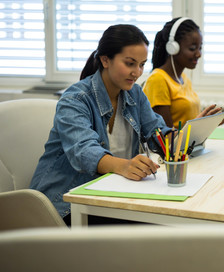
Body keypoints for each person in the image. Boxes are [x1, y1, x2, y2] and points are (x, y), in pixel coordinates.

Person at [30, 24, 170, 224]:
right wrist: (125, 166)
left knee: (164, 220)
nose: (137, 72)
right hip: (64, 205)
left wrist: (177, 138)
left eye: (141, 64)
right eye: (130, 63)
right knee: (156, 226)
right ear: (105, 60)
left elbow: (156, 131)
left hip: (107, 195)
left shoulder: (135, 94)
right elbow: (83, 151)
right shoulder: (75, 99)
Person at [143, 17, 224, 128]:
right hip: (177, 150)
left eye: (200, 48)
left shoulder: (183, 78)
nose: (198, 54)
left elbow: (195, 121)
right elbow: (168, 136)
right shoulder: (158, 80)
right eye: (192, 48)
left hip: (191, 146)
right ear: (173, 47)